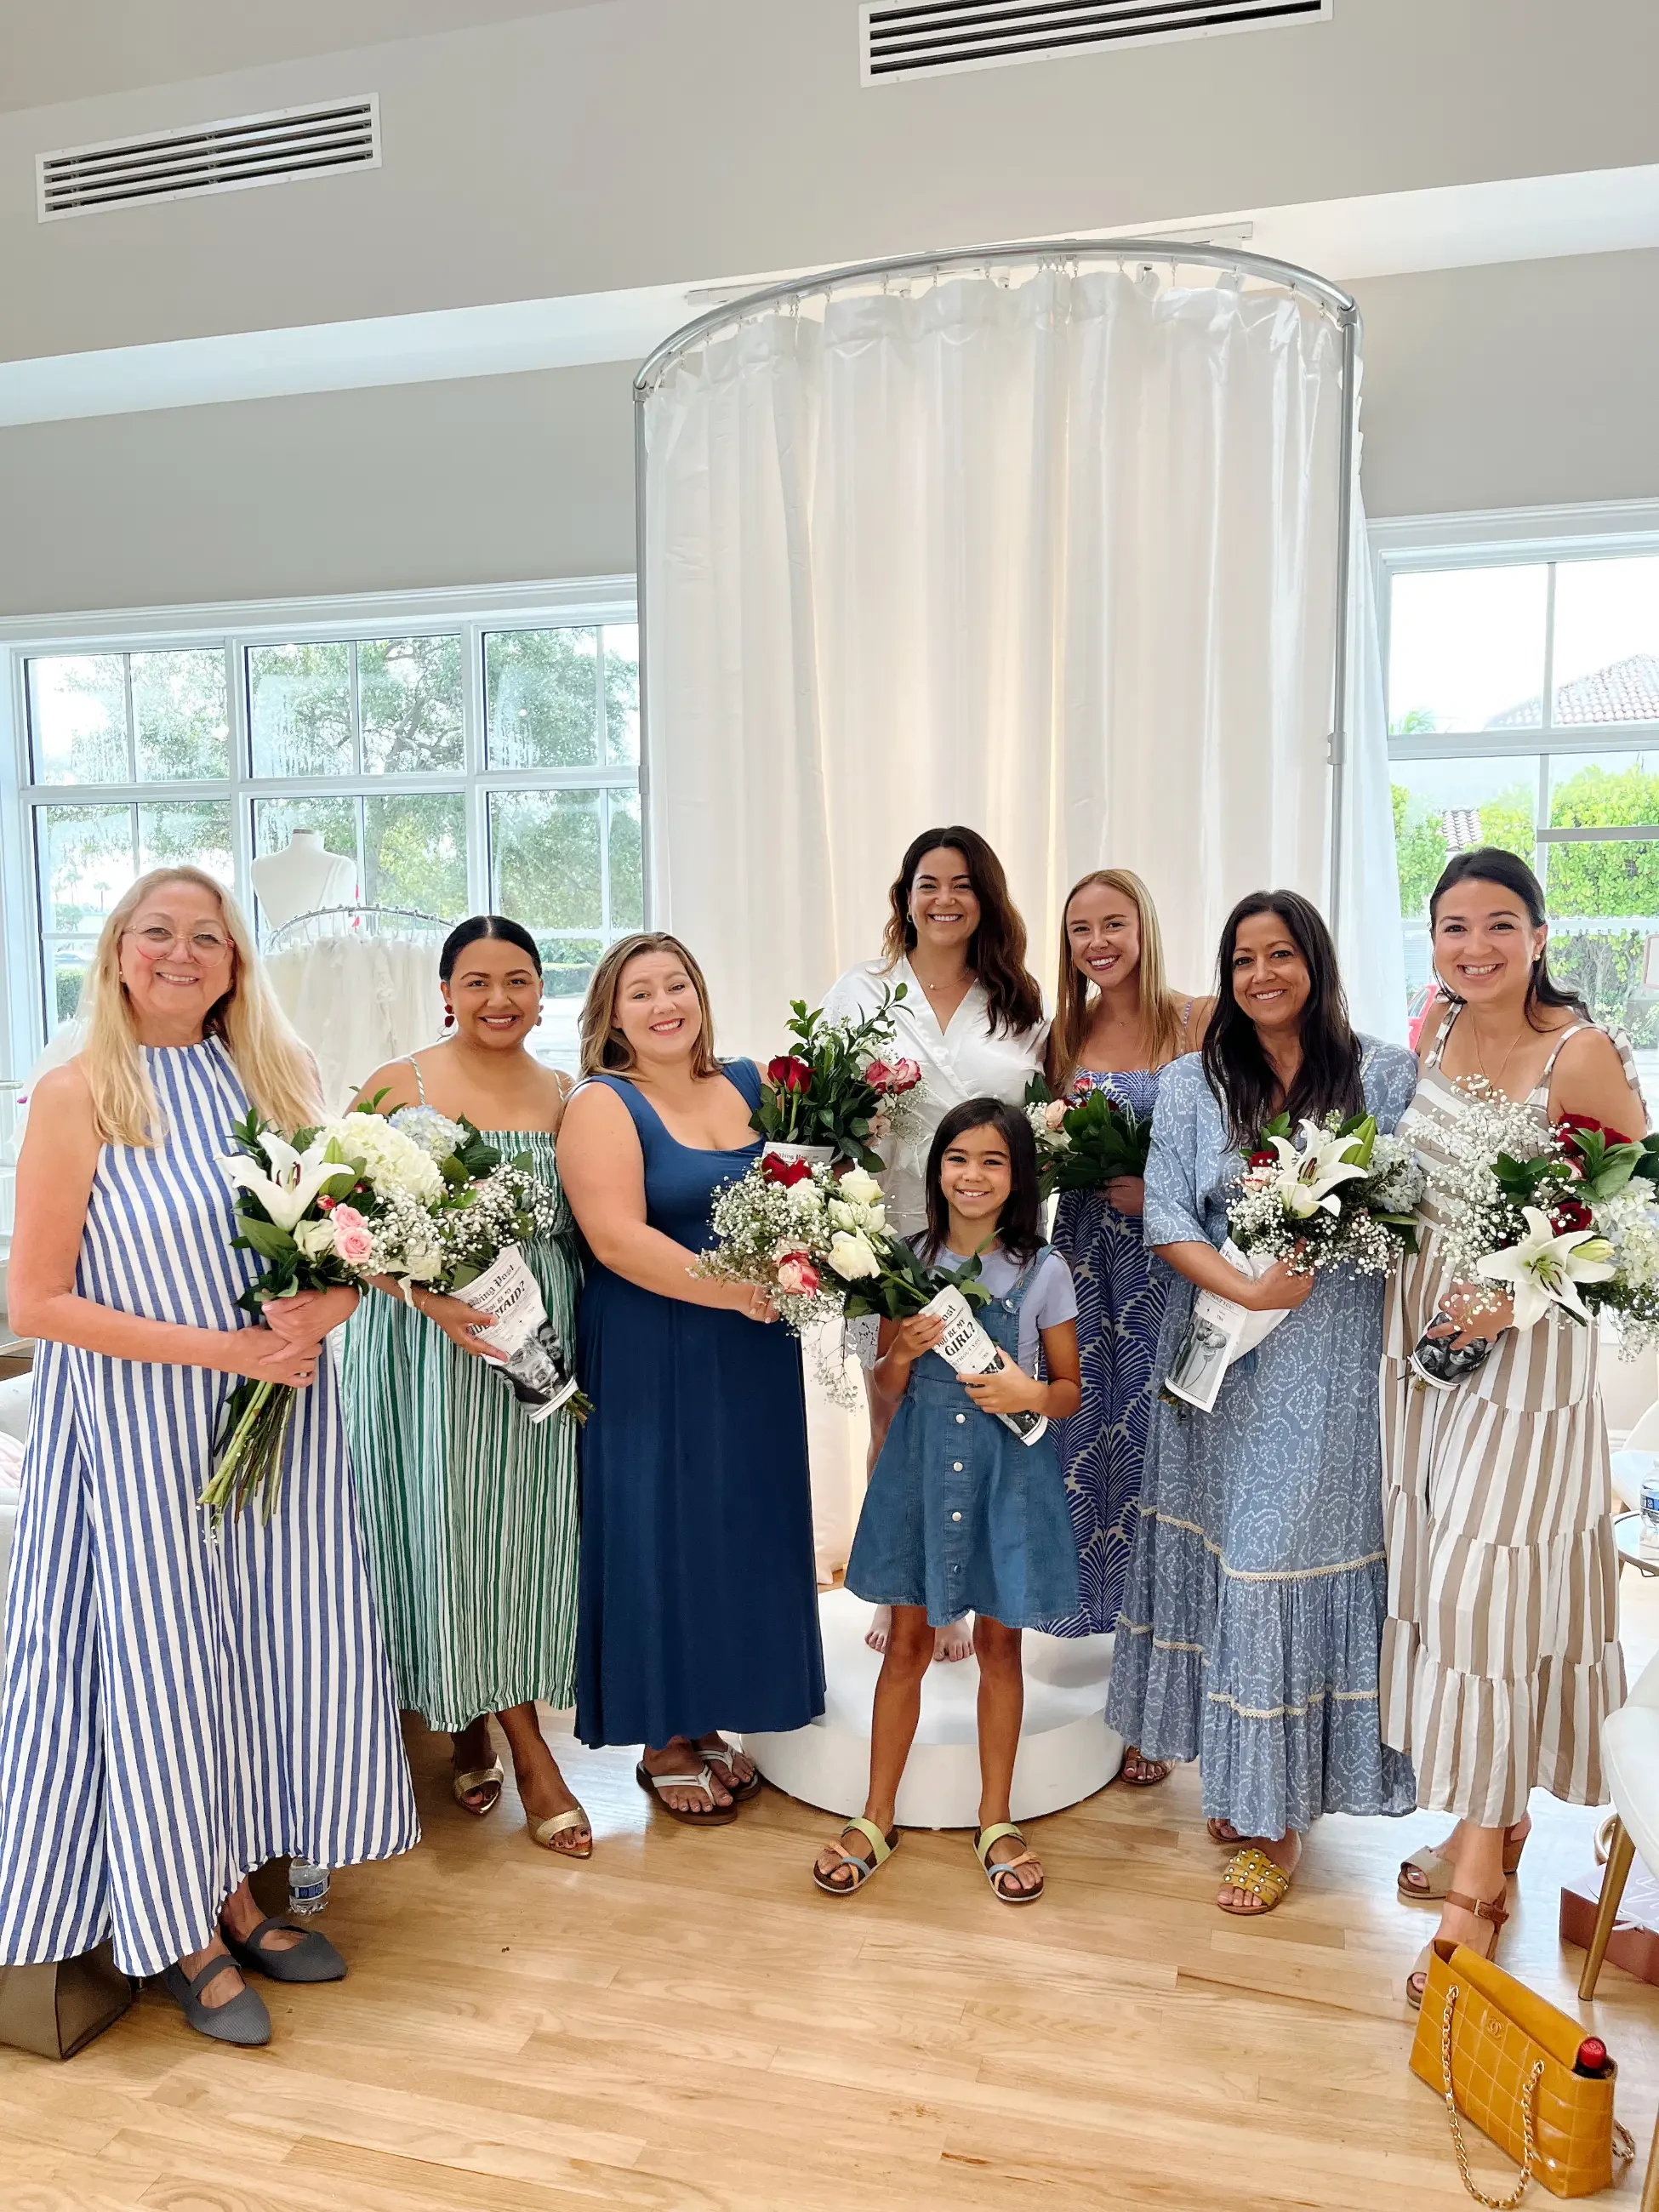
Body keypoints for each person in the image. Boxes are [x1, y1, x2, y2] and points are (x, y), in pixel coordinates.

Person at [0, 868, 417, 2048]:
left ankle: (239, 1890)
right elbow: (35, 1303)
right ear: (117, 952)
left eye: (206, 938)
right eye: (157, 934)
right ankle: (181, 1924)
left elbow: (341, 1250)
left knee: (252, 1660)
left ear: (236, 962)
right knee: (166, 1671)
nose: (182, 955)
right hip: (136, 1433)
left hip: (272, 1423)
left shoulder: (271, 1082)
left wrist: (322, 1314)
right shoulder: (77, 1092)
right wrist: (218, 1349)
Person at [1106, 890, 1418, 1916]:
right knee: (1224, 1560)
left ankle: (1279, 1820)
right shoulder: (1195, 1082)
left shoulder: (1383, 1074)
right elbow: (1164, 1214)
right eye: (1243, 958)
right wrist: (1244, 1286)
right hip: (1217, 1363)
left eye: (1281, 954)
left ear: (1316, 962)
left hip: (1328, 1371)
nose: (1261, 975)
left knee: (1274, 1563)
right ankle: (1245, 1783)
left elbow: (1408, 1213)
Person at [1381, 848, 1639, 2007]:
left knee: (1488, 1593)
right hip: (1422, 1340)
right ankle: (1491, 1821)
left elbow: (1636, 1221)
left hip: (1527, 1363)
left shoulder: (1576, 1051)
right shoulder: (1431, 1024)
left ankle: (1476, 1879)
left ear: (1537, 934)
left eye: (1496, 924)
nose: (1472, 945)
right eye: (1451, 926)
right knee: (1448, 1587)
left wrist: (1523, 1283)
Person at [558, 932, 824, 1821]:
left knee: (736, 1522)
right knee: (658, 1526)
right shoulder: (604, 1101)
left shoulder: (751, 1082)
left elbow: (810, 1187)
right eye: (642, 991)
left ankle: (708, 1715)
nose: (665, 1002)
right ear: (612, 1012)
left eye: (678, 985)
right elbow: (615, 1238)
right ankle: (662, 1734)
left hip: (750, 1345)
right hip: (654, 1339)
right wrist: (740, 1289)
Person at [340, 916, 590, 1858]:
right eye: (477, 980)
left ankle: (478, 1717)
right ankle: (522, 1751)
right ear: (444, 989)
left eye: (519, 979)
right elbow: (340, 1232)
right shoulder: (393, 1085)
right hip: (423, 1352)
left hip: (533, 1341)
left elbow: (584, 1225)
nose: (499, 999)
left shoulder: (568, 1092)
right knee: (443, 1532)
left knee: (522, 1542)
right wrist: (423, 1296)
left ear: (540, 990)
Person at [812, 1101, 1081, 1904]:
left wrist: (1025, 1388)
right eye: (958, 1158)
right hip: (923, 1470)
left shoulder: (1045, 1270)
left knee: (1002, 1649)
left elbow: (1066, 1393)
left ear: (1018, 1177)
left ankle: (995, 1817)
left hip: (1008, 1476)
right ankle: (876, 1815)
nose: (973, 1175)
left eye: (993, 1162)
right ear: (936, 1170)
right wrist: (903, 1349)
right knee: (905, 1647)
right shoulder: (905, 1261)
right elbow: (886, 1386)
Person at [823, 826, 1047, 1661]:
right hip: (886, 1227)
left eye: (961, 883)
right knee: (897, 1407)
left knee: (981, 1409)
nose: (944, 898)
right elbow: (826, 1119)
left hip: (993, 1232)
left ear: (984, 897)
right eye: (928, 883)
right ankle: (900, 1583)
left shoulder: (1019, 1000)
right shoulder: (861, 989)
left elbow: (1039, 1123)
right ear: (905, 895)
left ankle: (962, 1586)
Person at [1041, 867, 1212, 1787]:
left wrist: (1163, 1195)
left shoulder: (1197, 1019)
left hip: (1171, 1264)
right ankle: (1109, 1643)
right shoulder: (1062, 1033)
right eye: (1079, 930)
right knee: (1089, 1447)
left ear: (1143, 926)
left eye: (1112, 923)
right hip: (1083, 1264)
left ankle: (1163, 1700)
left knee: (1165, 1462)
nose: (1097, 942)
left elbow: (1243, 1140)